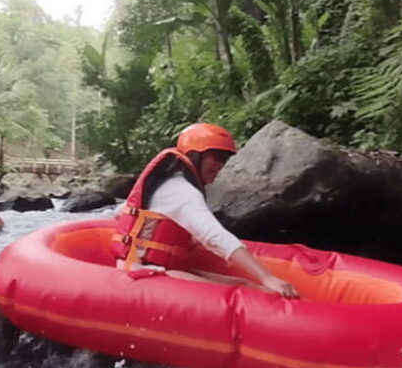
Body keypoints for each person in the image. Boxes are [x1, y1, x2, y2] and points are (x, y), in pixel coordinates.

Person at [111, 123, 298, 298]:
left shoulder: (169, 182)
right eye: (216, 157)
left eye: (224, 159)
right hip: (141, 274)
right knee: (247, 290)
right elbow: (215, 236)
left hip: (155, 268)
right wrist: (268, 278)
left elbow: (121, 213)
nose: (220, 165)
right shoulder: (181, 190)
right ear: (195, 155)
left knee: (243, 284)